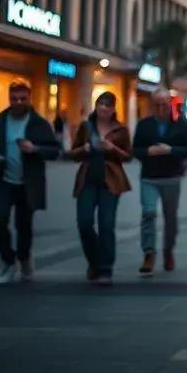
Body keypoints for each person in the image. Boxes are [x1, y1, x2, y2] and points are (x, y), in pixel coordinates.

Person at [0, 79, 61, 285]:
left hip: (28, 184)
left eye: (22, 98)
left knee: (23, 226)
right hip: (3, 181)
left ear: (29, 98)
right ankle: (8, 262)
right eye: (14, 98)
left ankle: (24, 258)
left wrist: (35, 149)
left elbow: (54, 151)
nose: (18, 102)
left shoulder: (38, 123)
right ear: (9, 99)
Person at [69, 91, 132, 285]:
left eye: (108, 105)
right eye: (101, 104)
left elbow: (129, 156)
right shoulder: (86, 127)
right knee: (84, 223)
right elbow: (73, 153)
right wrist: (84, 149)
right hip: (88, 180)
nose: (104, 108)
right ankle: (95, 261)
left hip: (110, 182)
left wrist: (113, 149)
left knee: (107, 224)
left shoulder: (120, 130)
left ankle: (105, 269)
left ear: (113, 109)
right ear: (96, 107)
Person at [132, 89, 187, 274]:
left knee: (170, 218)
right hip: (149, 177)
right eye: (157, 105)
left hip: (171, 177)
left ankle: (168, 251)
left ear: (170, 103)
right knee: (148, 213)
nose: (160, 108)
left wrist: (171, 150)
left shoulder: (181, 125)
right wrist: (148, 152)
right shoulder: (144, 125)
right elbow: (135, 150)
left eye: (164, 104)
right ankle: (149, 253)